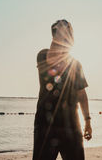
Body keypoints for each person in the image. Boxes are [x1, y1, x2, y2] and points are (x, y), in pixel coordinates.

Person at [32, 19, 92, 160]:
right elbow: (52, 58)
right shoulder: (43, 55)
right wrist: (59, 34)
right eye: (59, 31)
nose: (64, 34)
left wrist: (88, 122)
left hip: (71, 126)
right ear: (54, 35)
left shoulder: (76, 65)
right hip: (45, 125)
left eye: (67, 31)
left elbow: (82, 94)